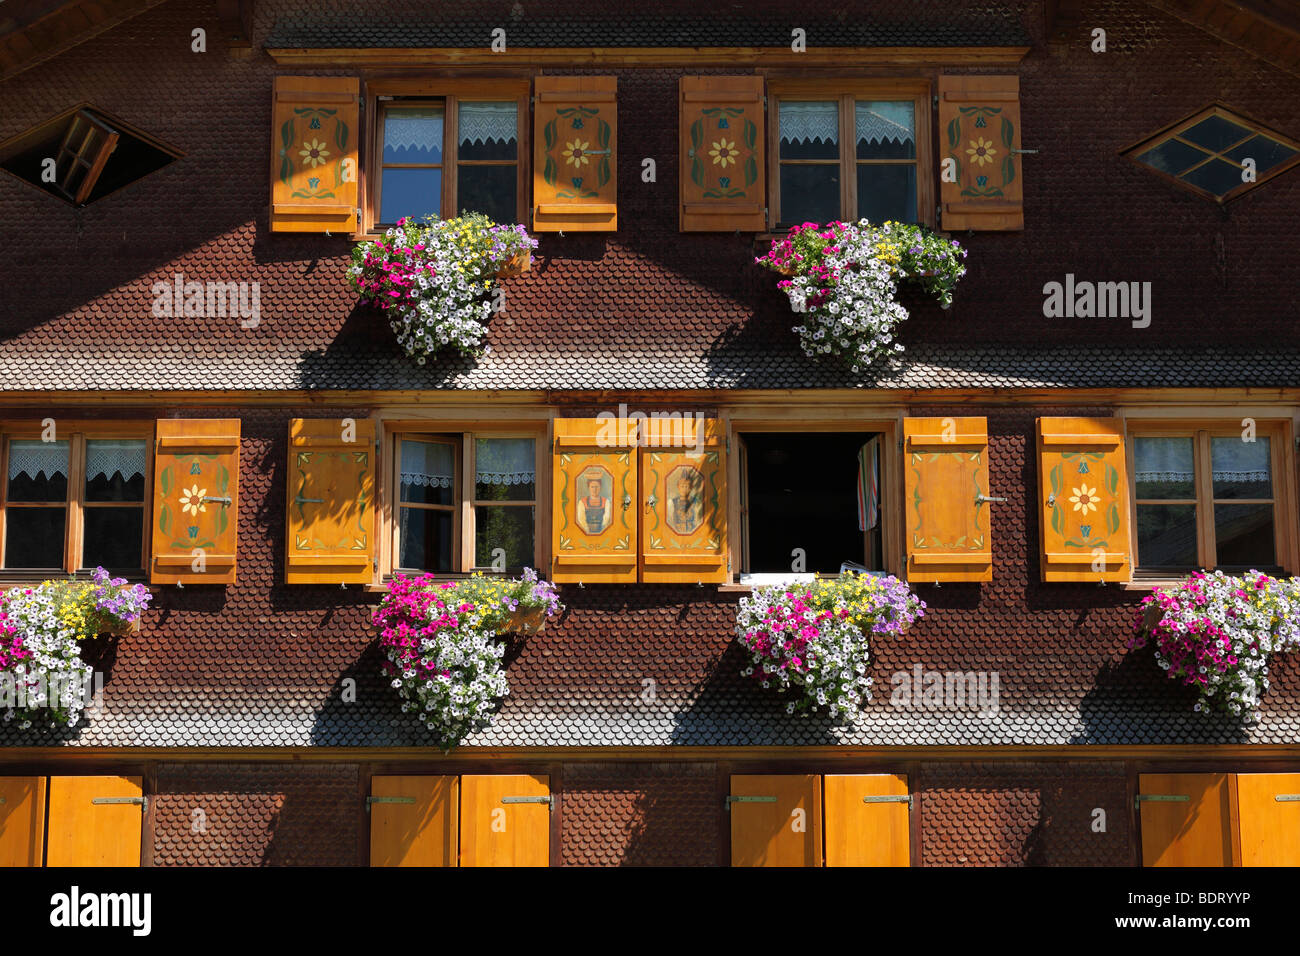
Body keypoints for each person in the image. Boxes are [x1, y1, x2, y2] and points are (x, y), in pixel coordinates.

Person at [667, 470, 702, 534]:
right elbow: (670, 520)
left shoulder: (696, 502)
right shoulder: (672, 503)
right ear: (678, 487)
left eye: (686, 486)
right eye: (682, 486)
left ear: (691, 488)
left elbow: (698, 520)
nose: (684, 489)